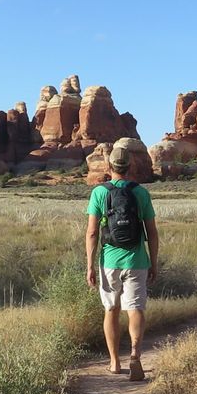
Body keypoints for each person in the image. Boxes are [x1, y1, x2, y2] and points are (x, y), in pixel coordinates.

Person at [85, 143, 159, 379]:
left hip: (109, 261)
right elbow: (152, 232)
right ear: (130, 166)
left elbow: (92, 232)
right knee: (135, 308)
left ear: (109, 166)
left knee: (112, 309)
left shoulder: (99, 193)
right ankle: (135, 354)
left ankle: (115, 362)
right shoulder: (141, 193)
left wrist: (89, 265)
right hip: (136, 260)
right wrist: (153, 262)